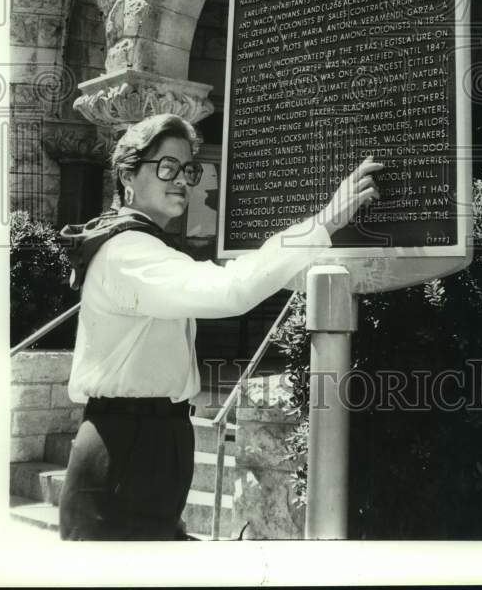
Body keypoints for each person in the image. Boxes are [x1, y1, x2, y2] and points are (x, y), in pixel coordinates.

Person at [58, 112, 382, 540]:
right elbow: (230, 289)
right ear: (127, 176)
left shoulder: (142, 243)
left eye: (187, 169)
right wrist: (323, 223)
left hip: (149, 441)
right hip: (126, 449)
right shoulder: (127, 252)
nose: (182, 181)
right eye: (166, 167)